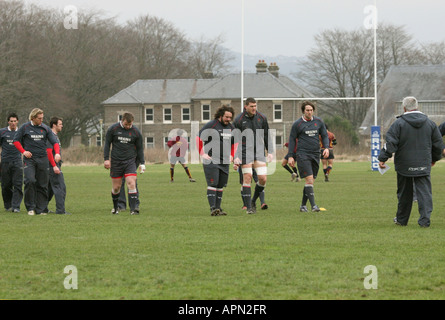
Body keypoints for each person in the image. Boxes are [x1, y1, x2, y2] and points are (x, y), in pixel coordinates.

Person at [379, 97, 443, 227]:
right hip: (423, 163)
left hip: (404, 164)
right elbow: (438, 144)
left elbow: (391, 144)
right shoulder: (430, 123)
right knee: (425, 193)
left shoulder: (398, 124)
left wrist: (382, 158)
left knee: (404, 194)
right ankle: (424, 221)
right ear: (417, 107)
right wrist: (434, 159)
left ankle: (402, 220)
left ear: (404, 108)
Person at [13, 108, 61, 215]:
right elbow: (16, 141)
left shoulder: (45, 128)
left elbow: (54, 142)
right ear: (33, 118)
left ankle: (41, 209)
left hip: (42, 159)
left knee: (42, 184)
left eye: (42, 118)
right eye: (39, 118)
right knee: (30, 181)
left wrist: (57, 153)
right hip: (29, 160)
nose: (41, 120)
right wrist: (23, 151)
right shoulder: (24, 127)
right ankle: (30, 207)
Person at [233, 97, 274, 214]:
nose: (254, 108)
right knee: (247, 177)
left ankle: (253, 201)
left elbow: (266, 135)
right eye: (251, 106)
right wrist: (235, 156)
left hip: (259, 152)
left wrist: (269, 151)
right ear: (246, 107)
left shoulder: (262, 118)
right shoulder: (239, 120)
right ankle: (249, 208)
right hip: (244, 152)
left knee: (263, 179)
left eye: (255, 106)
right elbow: (234, 139)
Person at [287, 101, 329, 212]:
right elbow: (291, 140)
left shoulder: (319, 122)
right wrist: (291, 156)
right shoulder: (297, 124)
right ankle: (314, 206)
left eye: (311, 110)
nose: (309, 112)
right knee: (309, 180)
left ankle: (302, 206)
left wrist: (326, 148)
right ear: (303, 111)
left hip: (315, 154)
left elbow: (324, 135)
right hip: (302, 154)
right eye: (307, 110)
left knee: (310, 182)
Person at [197, 104, 237, 216]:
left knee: (220, 186)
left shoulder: (231, 128)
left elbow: (235, 142)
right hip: (211, 160)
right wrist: (202, 153)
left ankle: (218, 208)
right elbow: (198, 137)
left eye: (230, 118)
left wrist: (232, 155)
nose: (228, 120)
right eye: (226, 117)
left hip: (224, 161)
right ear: (220, 115)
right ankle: (212, 208)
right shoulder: (212, 124)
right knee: (212, 184)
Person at [104, 112, 145, 215]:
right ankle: (117, 207)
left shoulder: (136, 132)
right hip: (116, 161)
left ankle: (133, 209)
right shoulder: (113, 129)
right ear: (122, 121)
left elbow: (140, 149)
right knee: (117, 187)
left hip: (130, 161)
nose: (128, 127)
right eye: (126, 124)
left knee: (131, 182)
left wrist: (142, 163)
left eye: (130, 125)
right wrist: (106, 159)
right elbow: (107, 144)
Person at [44, 117, 70, 215]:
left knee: (50, 189)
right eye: (60, 124)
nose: (62, 126)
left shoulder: (55, 136)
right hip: (52, 166)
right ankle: (60, 210)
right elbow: (49, 152)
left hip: (54, 166)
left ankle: (43, 208)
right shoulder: (51, 136)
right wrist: (54, 166)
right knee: (60, 187)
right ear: (54, 125)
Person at [0, 113, 23, 212]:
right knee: (6, 185)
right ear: (8, 122)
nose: (13, 123)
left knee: (18, 184)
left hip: (17, 162)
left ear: (17, 121)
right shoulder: (2, 132)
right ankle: (8, 205)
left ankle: (16, 206)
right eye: (11, 121)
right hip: (5, 162)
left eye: (15, 121)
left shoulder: (21, 132)